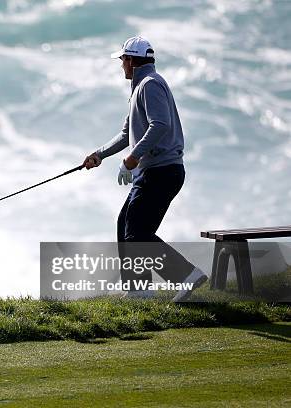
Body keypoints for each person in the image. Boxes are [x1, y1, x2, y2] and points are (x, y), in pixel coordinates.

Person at [83, 36, 207, 301]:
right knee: (125, 224)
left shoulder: (150, 85)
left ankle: (186, 276)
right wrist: (100, 154)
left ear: (131, 61)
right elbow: (128, 132)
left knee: (138, 233)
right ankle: (138, 289)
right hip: (156, 171)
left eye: (122, 60)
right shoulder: (141, 85)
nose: (121, 66)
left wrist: (132, 159)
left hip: (161, 171)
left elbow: (159, 125)